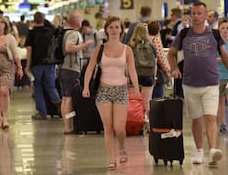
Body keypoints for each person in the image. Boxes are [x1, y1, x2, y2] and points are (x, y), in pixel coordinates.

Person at [167, 2, 228, 168]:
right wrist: (175, 69)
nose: (196, 16)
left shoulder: (214, 35)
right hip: (190, 83)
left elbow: (226, 57)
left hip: (211, 83)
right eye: (194, 13)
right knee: (196, 119)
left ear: (207, 16)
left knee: (210, 117)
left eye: (200, 13)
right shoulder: (184, 34)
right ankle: (199, 151)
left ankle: (212, 150)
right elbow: (171, 54)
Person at [82, 16, 140, 170]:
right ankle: (112, 158)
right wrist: (86, 87)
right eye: (111, 27)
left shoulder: (127, 50)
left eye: (117, 27)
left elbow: (132, 70)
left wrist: (136, 87)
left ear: (121, 30)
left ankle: (121, 147)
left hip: (121, 90)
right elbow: (90, 68)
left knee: (119, 128)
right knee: (108, 126)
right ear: (106, 30)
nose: (114, 30)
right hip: (103, 90)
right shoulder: (99, 49)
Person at [58, 11, 93, 134]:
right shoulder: (73, 33)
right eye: (80, 19)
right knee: (69, 99)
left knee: (65, 98)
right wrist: (84, 45)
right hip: (71, 69)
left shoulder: (64, 32)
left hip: (62, 68)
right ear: (75, 21)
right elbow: (69, 48)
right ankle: (68, 126)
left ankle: (66, 124)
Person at [24, 11, 61, 120]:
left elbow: (29, 50)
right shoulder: (51, 32)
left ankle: (43, 113)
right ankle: (59, 104)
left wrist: (27, 65)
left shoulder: (32, 33)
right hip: (50, 64)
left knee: (38, 88)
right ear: (44, 19)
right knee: (50, 86)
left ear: (34, 20)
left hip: (37, 64)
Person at [127, 23, 157, 125]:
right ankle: (147, 121)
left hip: (134, 74)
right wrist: (155, 76)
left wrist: (127, 76)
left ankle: (135, 120)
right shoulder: (152, 45)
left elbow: (128, 63)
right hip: (148, 74)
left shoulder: (131, 45)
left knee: (134, 99)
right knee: (147, 100)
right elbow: (155, 62)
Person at [148, 21, 171, 99]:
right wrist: (168, 72)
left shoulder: (144, 39)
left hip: (146, 73)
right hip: (156, 74)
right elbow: (161, 58)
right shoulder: (156, 40)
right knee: (158, 98)